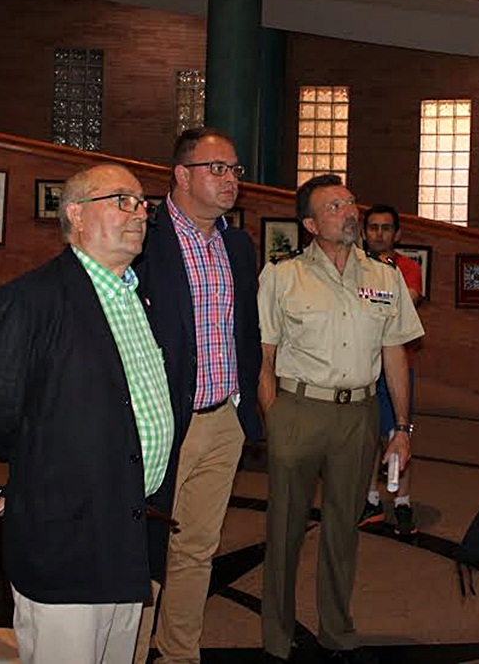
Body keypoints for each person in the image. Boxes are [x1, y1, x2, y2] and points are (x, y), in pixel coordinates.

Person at [0, 163, 174, 664]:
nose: (139, 213)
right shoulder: (30, 299)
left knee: (118, 652)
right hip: (68, 531)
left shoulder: (134, 295)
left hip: (127, 526)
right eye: (122, 200)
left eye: (143, 203)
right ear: (76, 214)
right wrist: (52, 470)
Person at [258, 174, 424, 663]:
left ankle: (337, 631)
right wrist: (275, 421)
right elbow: (264, 357)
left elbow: (396, 356)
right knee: (284, 531)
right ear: (310, 224)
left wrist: (401, 428)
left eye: (351, 201)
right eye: (334, 206)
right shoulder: (282, 276)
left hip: (359, 416)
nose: (349, 211)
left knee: (342, 532)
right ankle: (275, 636)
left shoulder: (384, 276)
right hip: (298, 410)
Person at [133, 127, 262, 663]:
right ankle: (133, 652)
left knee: (197, 548)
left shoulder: (236, 242)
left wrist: (249, 405)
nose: (231, 180)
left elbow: (246, 330)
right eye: (218, 169)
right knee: (144, 552)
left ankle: (180, 651)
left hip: (223, 419)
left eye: (235, 170)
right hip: (165, 423)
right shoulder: (146, 236)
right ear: (182, 175)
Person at [356, 204, 424, 535]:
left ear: (396, 234)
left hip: (396, 369)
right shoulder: (354, 267)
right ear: (364, 231)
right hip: (364, 368)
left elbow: (399, 305)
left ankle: (402, 502)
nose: (378, 234)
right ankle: (370, 499)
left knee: (398, 435)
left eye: (385, 228)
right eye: (372, 227)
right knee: (368, 437)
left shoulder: (407, 268)